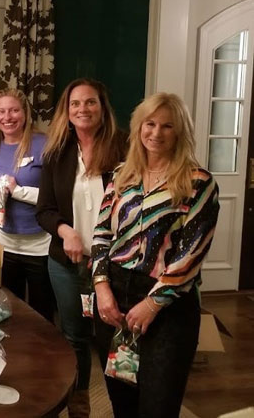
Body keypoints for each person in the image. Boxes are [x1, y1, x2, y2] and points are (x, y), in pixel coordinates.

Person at [92, 93, 219, 418]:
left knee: (158, 404)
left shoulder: (198, 183)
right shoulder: (122, 175)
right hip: (114, 301)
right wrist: (102, 288)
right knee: (122, 400)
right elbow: (102, 234)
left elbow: (191, 255)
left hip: (167, 307)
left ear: (180, 132)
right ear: (139, 127)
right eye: (150, 123)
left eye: (167, 126)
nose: (157, 133)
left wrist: (152, 304)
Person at [36, 78, 126, 417]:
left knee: (109, 339)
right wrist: (65, 231)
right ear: (66, 110)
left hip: (114, 264)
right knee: (74, 337)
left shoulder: (124, 149)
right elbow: (43, 209)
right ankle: (80, 405)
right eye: (75, 104)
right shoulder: (57, 153)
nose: (82, 109)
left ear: (103, 108)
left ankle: (121, 404)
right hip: (66, 262)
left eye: (90, 102)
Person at [0, 88, 54, 321]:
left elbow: (55, 197)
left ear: (25, 113)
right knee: (6, 312)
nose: (7, 117)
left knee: (42, 315)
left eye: (13, 110)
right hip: (2, 243)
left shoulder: (44, 144)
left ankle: (43, 358)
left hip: (39, 246)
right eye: (1, 112)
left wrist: (17, 191)